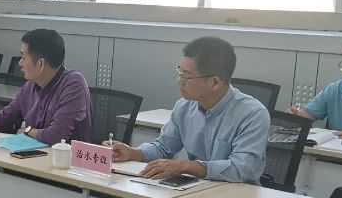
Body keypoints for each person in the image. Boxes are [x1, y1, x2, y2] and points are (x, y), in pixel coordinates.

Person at [107, 36, 269, 183]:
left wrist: (187, 166)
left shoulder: (253, 114)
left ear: (215, 82)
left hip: (238, 197)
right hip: (197, 190)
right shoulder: (184, 106)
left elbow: (242, 169)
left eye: (187, 76)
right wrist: (133, 153)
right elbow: (163, 146)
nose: (179, 81)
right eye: (180, 72)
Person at [0, 29, 91, 143]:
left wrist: (27, 130)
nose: (20, 63)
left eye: (23, 58)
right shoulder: (29, 86)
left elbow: (56, 136)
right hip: (33, 153)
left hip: (65, 156)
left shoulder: (74, 84)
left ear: (41, 63)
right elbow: (5, 118)